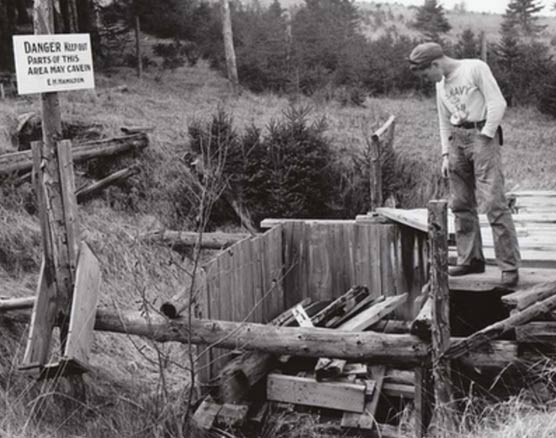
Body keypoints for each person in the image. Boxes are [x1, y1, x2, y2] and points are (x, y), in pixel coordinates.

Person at [408, 42, 520, 288]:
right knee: (460, 203)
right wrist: (445, 154)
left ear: (435, 64)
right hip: (456, 140)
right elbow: (443, 120)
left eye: (426, 74)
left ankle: (509, 266)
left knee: (493, 202)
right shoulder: (440, 84)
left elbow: (497, 103)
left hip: (482, 135)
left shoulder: (474, 68)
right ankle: (470, 259)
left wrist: (486, 135)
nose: (427, 80)